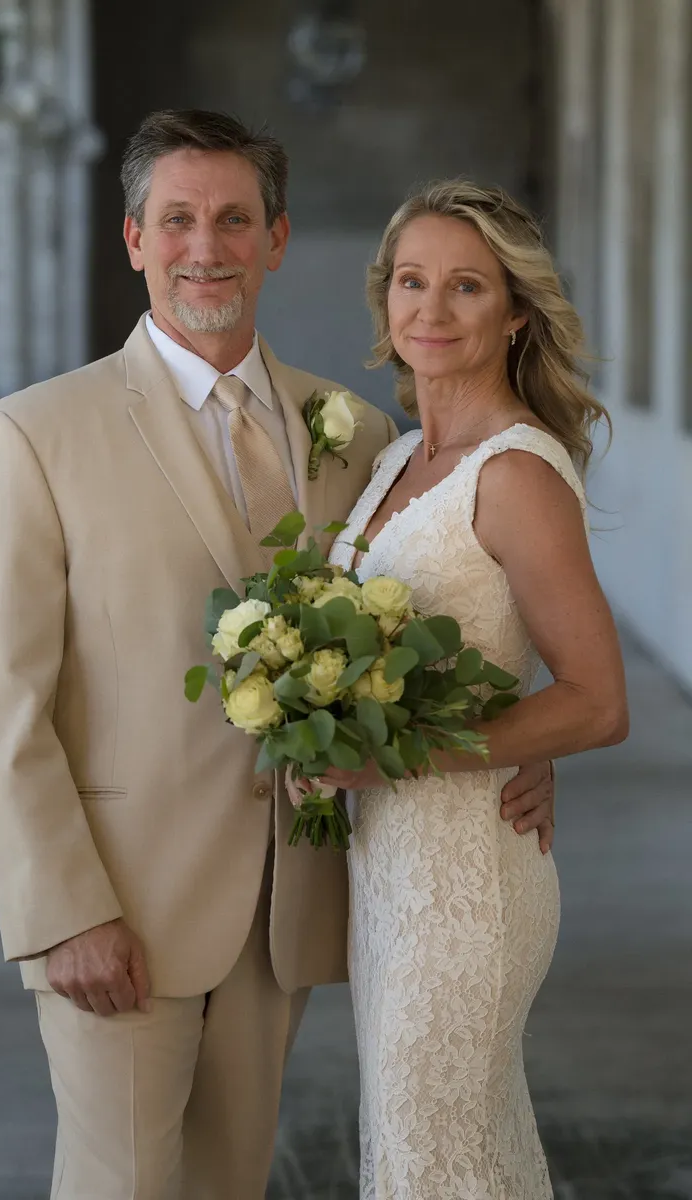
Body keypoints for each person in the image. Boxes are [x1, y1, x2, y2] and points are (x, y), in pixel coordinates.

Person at [0, 114, 555, 1200]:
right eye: (176, 219)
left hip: (291, 901)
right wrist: (61, 910)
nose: (205, 247)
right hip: (116, 908)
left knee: (231, 1185)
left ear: (275, 240)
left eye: (233, 219)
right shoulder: (32, 434)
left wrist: (511, 742)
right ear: (132, 238)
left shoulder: (357, 431)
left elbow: (433, 612)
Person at [322, 180, 629, 1198]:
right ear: (384, 300)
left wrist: (390, 753)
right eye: (412, 282)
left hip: (468, 887)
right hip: (389, 869)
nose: (431, 309)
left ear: (514, 312)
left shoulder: (514, 474)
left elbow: (593, 698)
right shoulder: (400, 457)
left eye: (465, 287)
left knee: (428, 1160)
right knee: (453, 1154)